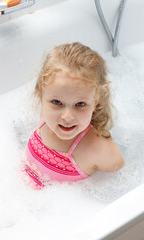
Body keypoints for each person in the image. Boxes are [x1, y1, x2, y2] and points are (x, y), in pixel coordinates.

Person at [23, 42, 124, 188]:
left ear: (96, 102)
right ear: (41, 96)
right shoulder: (46, 117)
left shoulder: (97, 148)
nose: (67, 117)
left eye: (80, 104)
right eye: (57, 102)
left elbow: (121, 176)